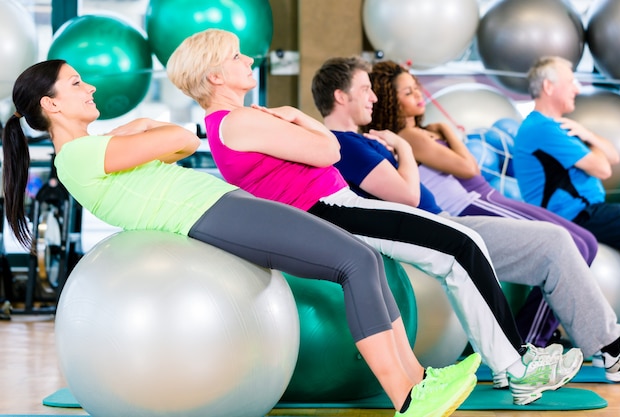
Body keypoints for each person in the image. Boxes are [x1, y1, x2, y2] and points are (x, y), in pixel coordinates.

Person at [2, 60, 480, 417]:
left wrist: (137, 132)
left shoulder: (97, 148)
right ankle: (407, 396)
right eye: (76, 83)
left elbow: (170, 146)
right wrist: (144, 126)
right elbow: (184, 141)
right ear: (50, 104)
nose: (90, 87)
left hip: (222, 204)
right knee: (352, 262)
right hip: (210, 214)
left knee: (364, 259)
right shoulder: (80, 156)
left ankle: (419, 379)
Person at [166, 28, 584, 406]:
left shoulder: (232, 122)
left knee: (458, 245)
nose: (248, 60)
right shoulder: (237, 120)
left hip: (336, 205)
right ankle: (515, 368)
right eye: (236, 57)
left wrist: (296, 120)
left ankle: (510, 361)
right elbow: (329, 151)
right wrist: (296, 116)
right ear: (215, 76)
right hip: (330, 210)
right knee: (460, 246)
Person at [309, 55, 620, 384]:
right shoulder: (347, 144)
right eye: (364, 89)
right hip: (439, 227)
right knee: (557, 241)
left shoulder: (365, 140)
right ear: (340, 96)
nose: (373, 96)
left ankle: (595, 346)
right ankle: (601, 348)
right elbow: (408, 196)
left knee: (557, 241)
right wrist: (402, 146)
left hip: (445, 223)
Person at [365, 60, 600, 350]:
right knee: (575, 244)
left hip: (486, 197)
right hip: (474, 203)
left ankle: (536, 336)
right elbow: (469, 168)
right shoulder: (411, 136)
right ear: (391, 100)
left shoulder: (420, 134)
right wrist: (448, 131)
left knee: (583, 242)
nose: (418, 96)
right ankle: (533, 340)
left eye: (417, 88)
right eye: (408, 92)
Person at [515, 55, 620, 255]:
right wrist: (592, 142)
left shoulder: (557, 127)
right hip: (575, 218)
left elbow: (614, 156)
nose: (577, 89)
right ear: (548, 87)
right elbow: (603, 168)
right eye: (570, 82)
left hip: (585, 213)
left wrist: (587, 134)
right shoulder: (542, 128)